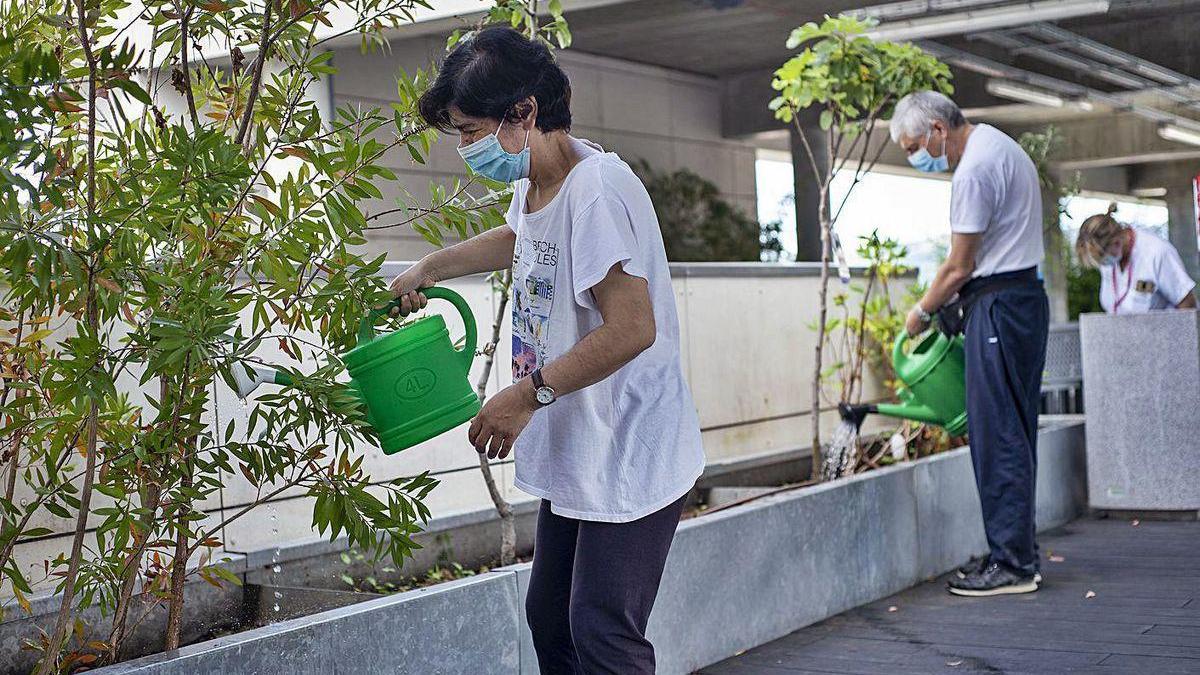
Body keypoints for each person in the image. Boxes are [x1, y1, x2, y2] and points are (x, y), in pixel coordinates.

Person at [388, 26, 704, 673]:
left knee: (602, 630)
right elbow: (519, 237)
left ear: (524, 112)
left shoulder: (598, 191)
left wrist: (525, 397)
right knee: (551, 618)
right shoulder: (540, 181)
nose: (467, 148)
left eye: (472, 131)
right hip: (583, 446)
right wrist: (431, 266)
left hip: (629, 447)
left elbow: (631, 327)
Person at [891, 91, 1048, 597]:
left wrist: (921, 311)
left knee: (997, 433)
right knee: (1014, 431)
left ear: (938, 129)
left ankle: (1013, 566)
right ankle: (1016, 551)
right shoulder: (998, 145)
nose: (917, 155)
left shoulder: (975, 170)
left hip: (1001, 308)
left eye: (916, 145)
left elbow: (960, 265)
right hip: (1020, 302)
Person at [1075, 204, 1197, 313]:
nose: (1102, 263)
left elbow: (1187, 304)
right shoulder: (1109, 259)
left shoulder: (1156, 252)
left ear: (1116, 243)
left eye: (1102, 258)